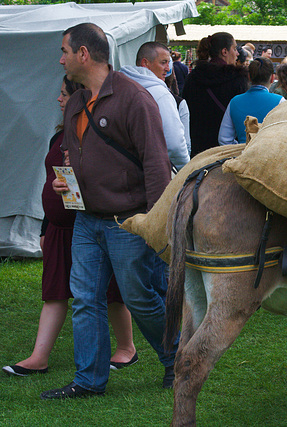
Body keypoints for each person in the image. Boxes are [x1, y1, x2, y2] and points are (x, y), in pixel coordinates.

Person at [41, 22, 178, 400]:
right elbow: (73, 159)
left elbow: (155, 163)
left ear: (84, 54)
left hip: (129, 221)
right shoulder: (76, 105)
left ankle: (177, 358)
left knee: (140, 298)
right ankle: (89, 380)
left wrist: (156, 222)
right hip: (86, 221)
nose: (61, 58)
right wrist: (63, 184)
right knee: (86, 299)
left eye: (65, 51)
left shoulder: (135, 99)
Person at [2, 76, 137, 378]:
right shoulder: (58, 137)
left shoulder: (96, 137)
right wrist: (45, 226)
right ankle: (39, 357)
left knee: (109, 294)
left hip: (87, 227)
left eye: (64, 95)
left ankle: (127, 348)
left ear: (79, 99)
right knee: (54, 292)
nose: (59, 100)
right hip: (59, 229)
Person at [120, 42, 190, 170]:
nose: (168, 69)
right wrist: (186, 171)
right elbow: (175, 144)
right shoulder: (160, 94)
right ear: (145, 63)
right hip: (149, 173)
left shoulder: (120, 87)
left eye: (169, 63)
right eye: (163, 62)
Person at [182, 32, 248, 156]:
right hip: (226, 149)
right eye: (234, 49)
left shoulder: (193, 77)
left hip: (198, 149)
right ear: (224, 51)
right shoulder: (238, 79)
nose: (237, 53)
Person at [218, 57, 284, 145]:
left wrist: (240, 149)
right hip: (271, 156)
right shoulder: (280, 102)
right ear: (272, 78)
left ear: (249, 77)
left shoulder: (234, 102)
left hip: (242, 156)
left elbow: (224, 139)